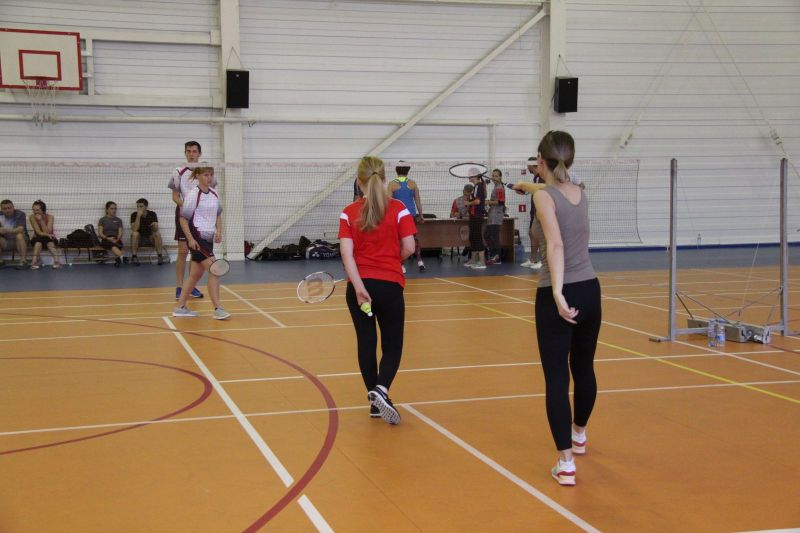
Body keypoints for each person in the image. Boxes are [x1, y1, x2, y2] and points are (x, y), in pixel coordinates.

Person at [525, 131, 601, 487]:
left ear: (541, 161)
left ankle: (566, 463)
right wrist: (527, 185)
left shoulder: (544, 197)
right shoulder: (580, 193)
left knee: (557, 378)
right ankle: (579, 434)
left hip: (558, 291)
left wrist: (556, 292)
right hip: (590, 290)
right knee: (583, 368)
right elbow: (549, 190)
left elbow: (554, 244)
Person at [338, 156, 416, 424]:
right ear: (384, 179)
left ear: (358, 182)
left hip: (359, 289)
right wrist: (392, 261)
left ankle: (374, 403)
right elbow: (409, 247)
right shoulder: (399, 209)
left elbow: (346, 254)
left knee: (366, 343)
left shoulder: (348, 212)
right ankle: (381, 389)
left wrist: (359, 287)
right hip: (389, 287)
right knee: (392, 345)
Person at [172, 166, 230, 320]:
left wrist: (219, 231)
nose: (209, 178)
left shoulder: (214, 193)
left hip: (209, 239)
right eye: (205, 175)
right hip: (197, 237)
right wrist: (190, 239)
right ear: (198, 176)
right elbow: (183, 219)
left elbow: (218, 215)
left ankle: (180, 307)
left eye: (211, 175)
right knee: (215, 270)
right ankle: (218, 308)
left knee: (195, 275)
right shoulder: (193, 195)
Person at [169, 141, 207, 300]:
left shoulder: (206, 171)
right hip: (184, 214)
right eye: (189, 151)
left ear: (200, 154)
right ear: (185, 153)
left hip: (200, 216)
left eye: (194, 151)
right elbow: (175, 197)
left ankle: (191, 286)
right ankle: (179, 287)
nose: (191, 154)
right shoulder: (178, 172)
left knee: (195, 252)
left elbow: (209, 193)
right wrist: (186, 206)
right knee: (183, 251)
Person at [388, 160, 426, 272]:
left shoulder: (391, 184)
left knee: (399, 241)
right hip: (411, 216)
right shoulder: (413, 184)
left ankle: (401, 265)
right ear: (408, 171)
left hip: (398, 217)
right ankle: (420, 261)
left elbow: (388, 203)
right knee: (414, 239)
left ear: (396, 170)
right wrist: (421, 215)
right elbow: (418, 201)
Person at [520, 156, 545, 270]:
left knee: (540, 236)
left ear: (532, 165)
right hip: (533, 210)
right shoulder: (535, 177)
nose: (527, 167)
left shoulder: (541, 177)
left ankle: (543, 261)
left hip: (540, 211)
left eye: (528, 165)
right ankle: (533, 259)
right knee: (532, 233)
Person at [129, 198, 165, 265]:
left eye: (141, 206)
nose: (139, 208)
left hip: (149, 238)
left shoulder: (152, 214)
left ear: (146, 207)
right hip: (139, 239)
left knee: (157, 233)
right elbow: (134, 229)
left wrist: (154, 225)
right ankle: (134, 257)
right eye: (138, 206)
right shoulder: (134, 215)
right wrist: (138, 216)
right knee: (134, 234)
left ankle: (160, 256)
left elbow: (156, 229)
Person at [28, 200, 62, 269]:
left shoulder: (50, 217)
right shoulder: (32, 217)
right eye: (33, 210)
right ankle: (34, 262)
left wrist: (41, 220)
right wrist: (47, 235)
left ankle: (57, 261)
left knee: (50, 243)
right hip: (38, 237)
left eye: (37, 210)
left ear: (43, 210)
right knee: (38, 242)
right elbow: (38, 232)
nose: (35, 212)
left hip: (49, 238)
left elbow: (48, 231)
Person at [465, 169, 487, 269]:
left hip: (477, 215)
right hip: (473, 215)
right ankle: (473, 259)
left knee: (477, 237)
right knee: (472, 237)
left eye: (470, 175)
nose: (468, 177)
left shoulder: (479, 186)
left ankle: (482, 262)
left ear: (474, 176)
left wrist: (468, 203)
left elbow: (478, 201)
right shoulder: (476, 187)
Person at [0, 199, 30, 269]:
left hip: (22, 241)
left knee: (19, 235)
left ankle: (23, 261)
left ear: (13, 207)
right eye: (4, 208)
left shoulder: (20, 214)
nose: (7, 210)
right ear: (1, 209)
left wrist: (6, 230)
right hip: (6, 242)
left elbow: (20, 229)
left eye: (9, 208)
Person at [485, 169, 506, 265]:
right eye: (493, 176)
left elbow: (501, 201)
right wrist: (489, 202)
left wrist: (488, 202)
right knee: (487, 235)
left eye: (496, 176)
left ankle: (498, 257)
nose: (494, 178)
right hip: (491, 214)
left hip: (496, 216)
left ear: (500, 177)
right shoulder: (495, 186)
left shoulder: (499, 187)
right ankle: (494, 254)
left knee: (495, 236)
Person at [98, 201, 125, 267]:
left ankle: (119, 258)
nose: (114, 210)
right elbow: (100, 233)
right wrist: (108, 238)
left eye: (115, 209)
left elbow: (120, 233)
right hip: (106, 239)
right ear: (107, 210)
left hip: (116, 239)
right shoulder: (102, 220)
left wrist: (117, 239)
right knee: (112, 245)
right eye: (112, 208)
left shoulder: (118, 220)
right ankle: (122, 257)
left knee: (116, 244)